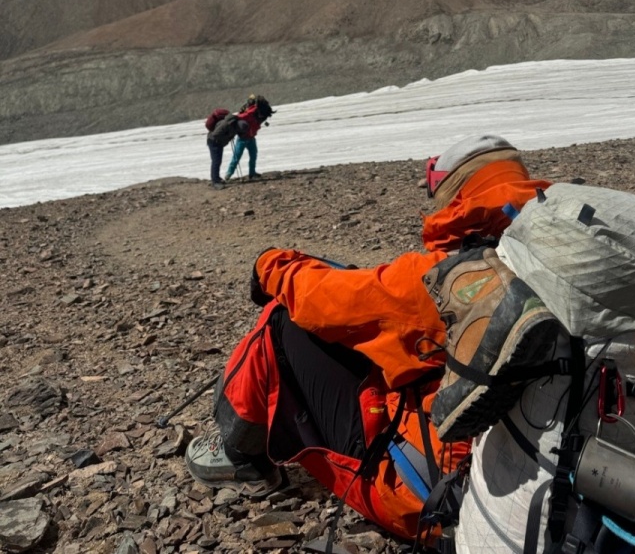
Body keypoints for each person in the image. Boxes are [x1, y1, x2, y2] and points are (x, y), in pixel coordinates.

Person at [185, 134, 552, 544]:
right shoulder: (563, 260)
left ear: (457, 196)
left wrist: (270, 264)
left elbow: (322, 298)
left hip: (433, 499)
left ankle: (239, 457)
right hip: (546, 495)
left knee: (281, 319)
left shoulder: (449, 277)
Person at [225, 95, 275, 182]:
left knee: (248, 156)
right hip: (244, 138)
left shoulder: (254, 112)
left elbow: (239, 116)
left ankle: (247, 173)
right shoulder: (251, 113)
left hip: (248, 137)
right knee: (241, 156)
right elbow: (241, 116)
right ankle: (230, 174)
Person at [206, 113, 250, 190]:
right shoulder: (226, 124)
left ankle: (217, 178)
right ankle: (215, 182)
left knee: (217, 161)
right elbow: (215, 134)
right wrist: (228, 136)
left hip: (218, 142)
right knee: (216, 161)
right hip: (213, 142)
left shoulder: (235, 124)